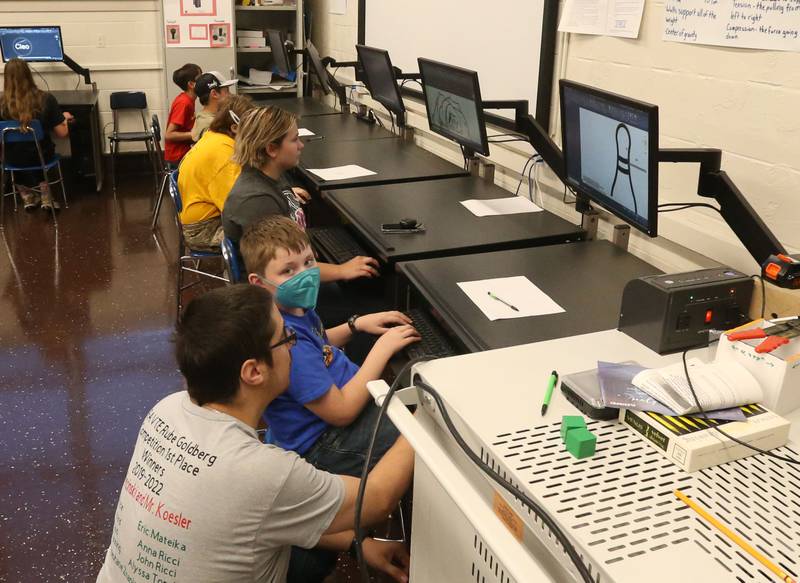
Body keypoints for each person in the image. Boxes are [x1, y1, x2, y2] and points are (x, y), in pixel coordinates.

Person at [95, 284, 413, 583]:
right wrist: (427, 417)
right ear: (254, 372)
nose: (295, 342)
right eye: (287, 337)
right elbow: (378, 498)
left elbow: (255, 515)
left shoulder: (165, 410)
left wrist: (360, 544)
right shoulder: (261, 471)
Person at [241, 215, 420, 473]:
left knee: (411, 408)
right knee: (426, 429)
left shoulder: (295, 310)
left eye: (309, 262)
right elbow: (342, 411)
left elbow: (319, 343)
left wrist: (355, 325)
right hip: (325, 442)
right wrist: (381, 349)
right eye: (288, 270)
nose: (306, 275)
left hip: (331, 415)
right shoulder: (286, 341)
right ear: (259, 283)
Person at [223, 105, 380, 283]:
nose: (301, 145)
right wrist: (341, 270)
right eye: (295, 140)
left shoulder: (271, 176)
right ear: (271, 149)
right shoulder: (257, 201)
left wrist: (288, 193)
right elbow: (289, 271)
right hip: (277, 299)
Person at [177, 95, 254, 252]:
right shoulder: (225, 155)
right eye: (252, 127)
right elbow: (237, 208)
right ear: (234, 127)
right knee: (265, 237)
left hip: (200, 219)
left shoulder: (213, 137)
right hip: (204, 230)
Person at [0, 58, 73, 211]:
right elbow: (62, 133)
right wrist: (64, 118)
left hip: (11, 160)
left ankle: (26, 196)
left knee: (18, 152)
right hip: (41, 157)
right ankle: (46, 195)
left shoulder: (1, 104)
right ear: (29, 75)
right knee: (38, 150)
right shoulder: (45, 99)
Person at [164, 63, 201, 165]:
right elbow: (169, 135)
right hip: (178, 156)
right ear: (191, 84)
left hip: (183, 151)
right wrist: (194, 134)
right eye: (200, 78)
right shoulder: (184, 103)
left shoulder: (189, 100)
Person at [191, 70, 237, 142]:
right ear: (214, 94)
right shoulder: (211, 125)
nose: (231, 95)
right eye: (227, 91)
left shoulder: (203, 116)